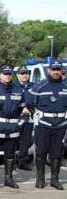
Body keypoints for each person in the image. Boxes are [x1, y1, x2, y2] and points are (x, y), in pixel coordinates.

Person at [26, 61, 67, 190]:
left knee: (57, 153)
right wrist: (38, 114)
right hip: (44, 123)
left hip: (61, 124)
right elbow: (30, 102)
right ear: (49, 70)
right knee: (41, 152)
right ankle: (40, 179)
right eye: (54, 69)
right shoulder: (40, 86)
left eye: (58, 70)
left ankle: (55, 179)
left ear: (61, 71)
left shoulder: (65, 86)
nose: (56, 72)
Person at [15, 67, 34, 170]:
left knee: (25, 141)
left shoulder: (33, 86)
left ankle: (22, 162)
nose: (24, 75)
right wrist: (21, 108)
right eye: (22, 73)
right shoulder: (13, 86)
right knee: (13, 140)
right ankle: (11, 162)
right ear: (17, 75)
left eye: (26, 73)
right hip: (16, 117)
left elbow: (36, 100)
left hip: (28, 118)